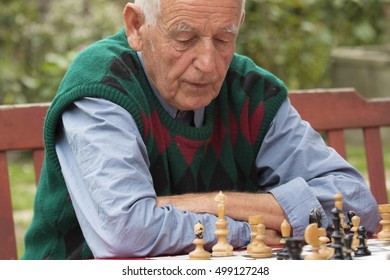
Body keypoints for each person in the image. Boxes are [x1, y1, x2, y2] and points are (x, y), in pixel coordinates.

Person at [22, 0, 380, 260]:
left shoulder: (251, 90)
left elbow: (356, 204)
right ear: (136, 27)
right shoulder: (102, 84)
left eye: (224, 39)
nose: (208, 64)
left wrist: (210, 204)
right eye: (184, 37)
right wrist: (252, 227)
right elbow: (126, 232)